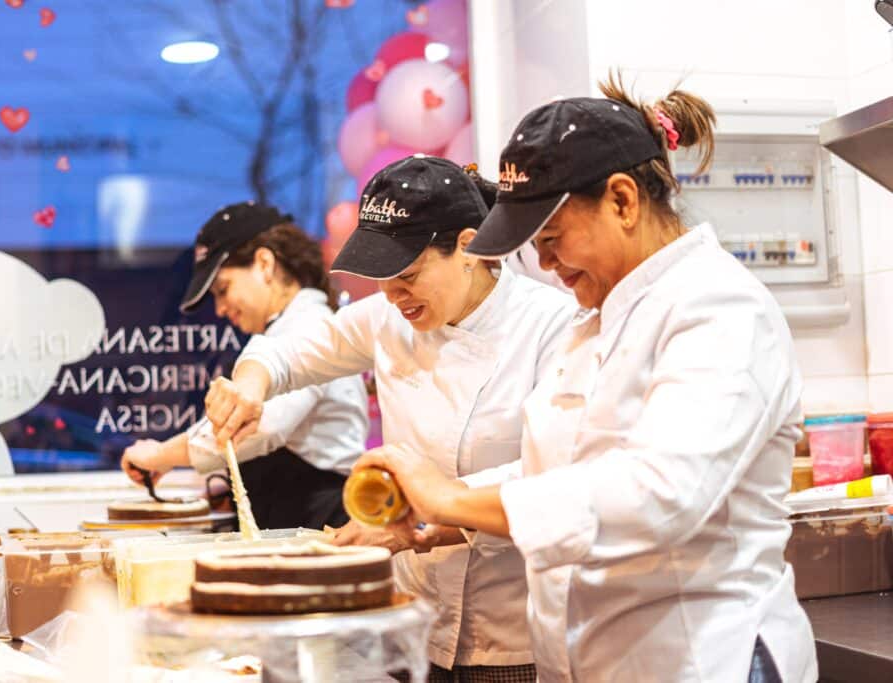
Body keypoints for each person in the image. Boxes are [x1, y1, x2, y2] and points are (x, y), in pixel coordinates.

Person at [355, 76, 818, 682]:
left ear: (623, 201)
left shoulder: (721, 309)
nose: (544, 264)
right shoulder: (596, 324)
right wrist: (442, 511)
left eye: (550, 239)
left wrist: (453, 497)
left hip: (700, 661)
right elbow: (567, 467)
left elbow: (661, 492)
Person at [203, 156, 577, 681]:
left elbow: (551, 475)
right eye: (379, 278)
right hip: (411, 620)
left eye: (406, 275)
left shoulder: (552, 326)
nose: (392, 296)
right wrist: (249, 386)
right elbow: (288, 355)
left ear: (468, 247)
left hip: (510, 632)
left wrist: (419, 521)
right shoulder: (387, 318)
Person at [121, 201, 369, 530]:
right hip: (294, 520)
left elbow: (256, 427)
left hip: (320, 523)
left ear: (264, 264)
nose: (221, 309)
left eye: (223, 290)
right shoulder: (292, 327)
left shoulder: (307, 326)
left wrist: (161, 454)